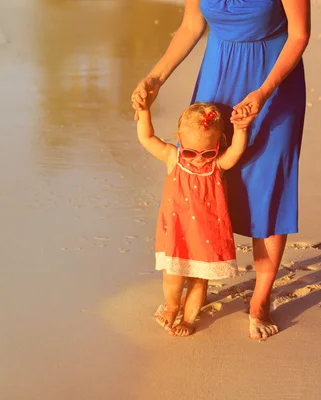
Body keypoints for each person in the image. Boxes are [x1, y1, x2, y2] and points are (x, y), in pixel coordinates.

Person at [131, 0, 310, 340]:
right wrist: (156, 78)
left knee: (266, 184)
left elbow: (299, 35)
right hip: (218, 72)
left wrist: (263, 93)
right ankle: (197, 275)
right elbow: (191, 26)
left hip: (272, 80)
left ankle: (260, 300)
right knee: (201, 174)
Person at [137, 102, 248, 336]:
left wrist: (241, 129)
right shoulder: (173, 158)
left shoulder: (217, 165)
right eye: (190, 152)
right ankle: (172, 307)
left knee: (199, 281)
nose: (198, 159)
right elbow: (147, 138)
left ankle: (188, 319)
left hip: (206, 237)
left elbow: (237, 151)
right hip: (177, 233)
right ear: (179, 139)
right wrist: (145, 111)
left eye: (207, 152)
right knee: (173, 278)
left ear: (218, 144)